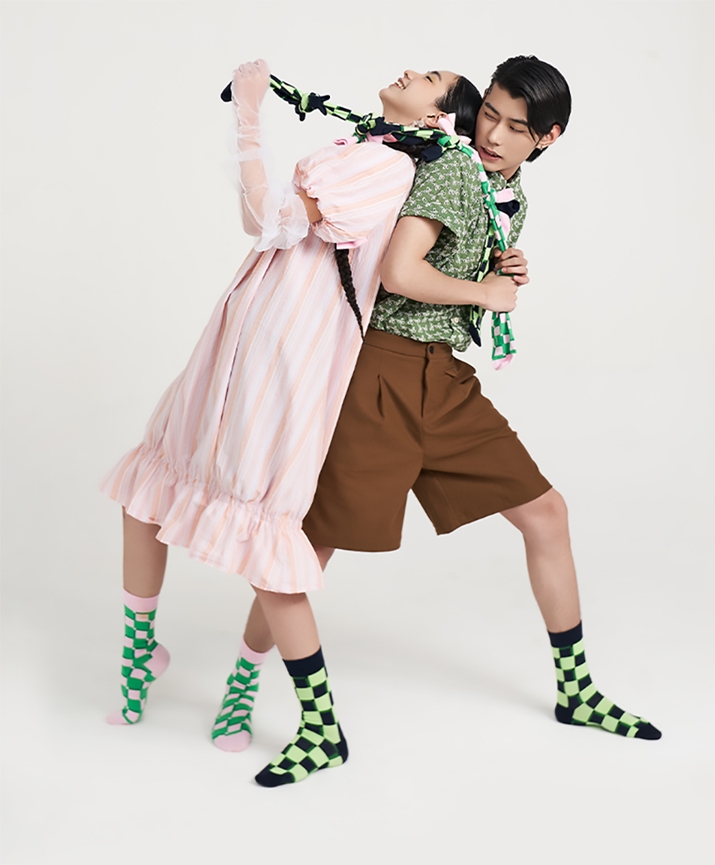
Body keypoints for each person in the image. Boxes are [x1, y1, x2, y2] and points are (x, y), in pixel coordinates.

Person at [235, 56, 661, 770]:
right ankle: (290, 710)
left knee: (545, 513)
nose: (492, 133)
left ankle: (577, 691)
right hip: (381, 372)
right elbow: (401, 273)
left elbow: (452, 260)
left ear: (547, 138)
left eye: (515, 127)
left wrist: (498, 268)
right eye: (488, 113)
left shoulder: (506, 192)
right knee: (306, 550)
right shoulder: (452, 168)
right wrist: (486, 293)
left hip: (444, 380)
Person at [101, 59, 487, 786]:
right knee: (150, 486)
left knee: (264, 533)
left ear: (439, 118)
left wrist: (248, 112)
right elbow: (273, 223)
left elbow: (271, 219)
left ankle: (255, 687)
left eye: (429, 76)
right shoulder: (364, 148)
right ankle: (139, 649)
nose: (410, 69)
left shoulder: (386, 166)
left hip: (288, 352)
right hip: (243, 331)